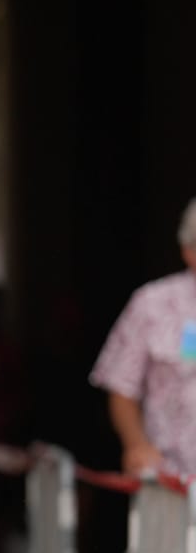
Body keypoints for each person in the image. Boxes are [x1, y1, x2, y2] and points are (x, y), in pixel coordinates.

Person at [89, 196, 196, 479]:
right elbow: (121, 387)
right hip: (172, 485)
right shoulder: (152, 304)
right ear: (188, 251)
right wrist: (137, 445)